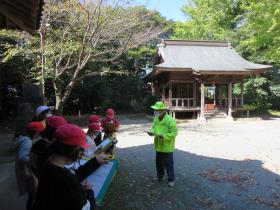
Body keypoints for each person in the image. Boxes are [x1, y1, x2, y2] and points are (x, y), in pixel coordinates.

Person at [33, 124, 108, 210]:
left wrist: (95, 161)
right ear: (75, 149)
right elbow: (87, 207)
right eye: (81, 149)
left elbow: (74, 176)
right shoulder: (66, 180)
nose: (80, 153)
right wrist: (89, 191)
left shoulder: (47, 163)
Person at [12, 122, 44, 210]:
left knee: (32, 194)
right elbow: (22, 157)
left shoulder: (26, 140)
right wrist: (34, 160)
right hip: (28, 172)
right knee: (33, 194)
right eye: (40, 132)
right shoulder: (27, 142)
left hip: (26, 171)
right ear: (36, 132)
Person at [148, 101, 177, 187]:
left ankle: (172, 180)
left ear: (163, 110)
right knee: (158, 163)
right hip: (158, 146)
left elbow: (174, 133)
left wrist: (164, 136)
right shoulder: (156, 118)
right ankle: (159, 176)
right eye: (154, 110)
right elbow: (153, 128)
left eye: (157, 110)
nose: (155, 112)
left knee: (168, 164)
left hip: (167, 146)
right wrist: (151, 132)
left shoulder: (170, 120)